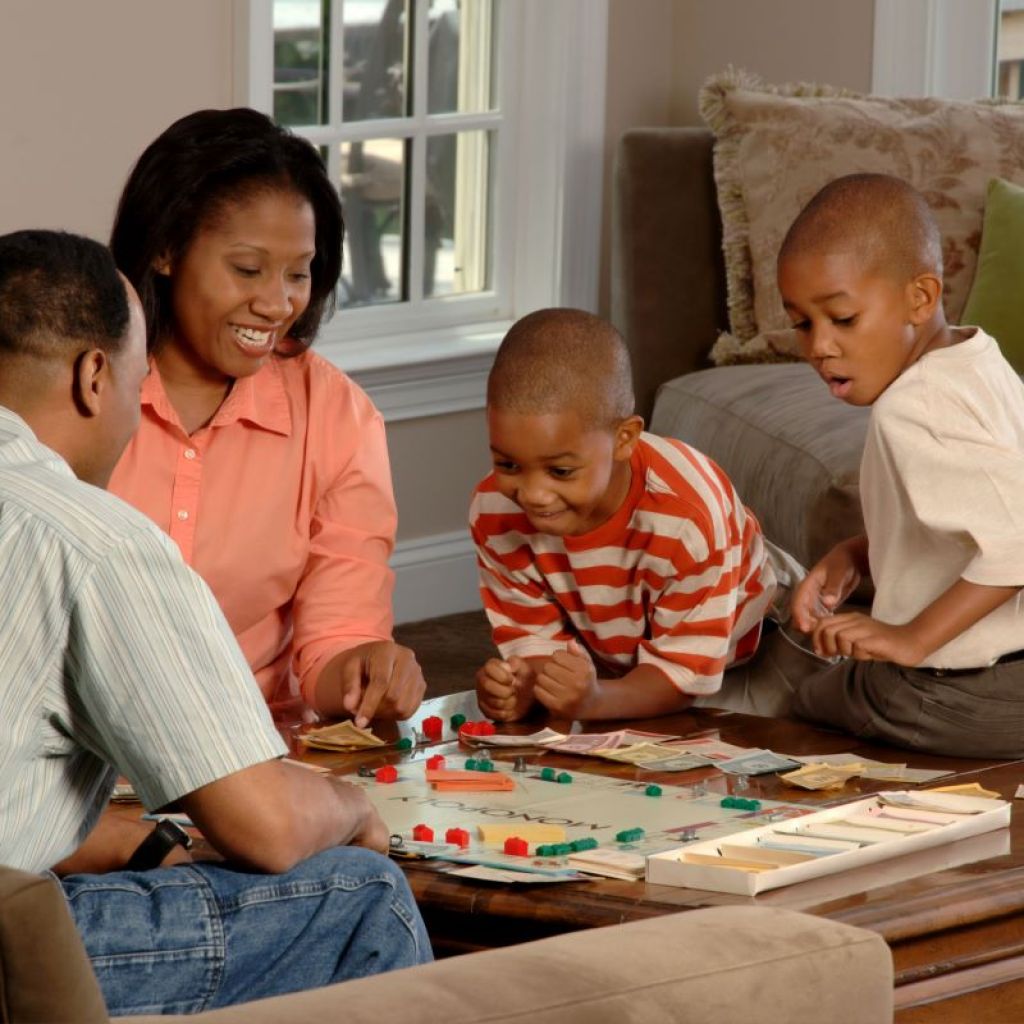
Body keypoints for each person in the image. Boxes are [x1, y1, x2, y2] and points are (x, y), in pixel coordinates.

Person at [0, 229, 431, 1015]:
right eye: (139, 380)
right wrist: (353, 807)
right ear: (95, 377)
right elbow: (263, 826)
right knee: (360, 895)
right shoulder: (94, 540)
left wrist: (148, 842)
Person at [107, 107, 424, 726]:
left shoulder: (336, 415)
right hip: (84, 753)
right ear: (167, 248)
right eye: (247, 269)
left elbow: (336, 635)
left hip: (251, 746)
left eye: (298, 273)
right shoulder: (81, 387)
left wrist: (364, 671)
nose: (277, 303)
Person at [782, 173, 1024, 758]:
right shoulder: (979, 359)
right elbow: (984, 514)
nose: (819, 346)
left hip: (976, 694)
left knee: (805, 691)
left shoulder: (910, 406)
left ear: (920, 297)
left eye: (842, 319)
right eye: (801, 323)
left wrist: (911, 640)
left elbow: (1017, 540)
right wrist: (857, 555)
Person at [470, 308, 809, 723]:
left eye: (560, 471)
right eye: (508, 465)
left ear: (624, 439)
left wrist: (594, 701)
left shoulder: (687, 517)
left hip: (758, 635)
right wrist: (529, 687)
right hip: (625, 650)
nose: (533, 494)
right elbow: (538, 647)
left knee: (773, 737)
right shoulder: (495, 512)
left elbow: (680, 675)